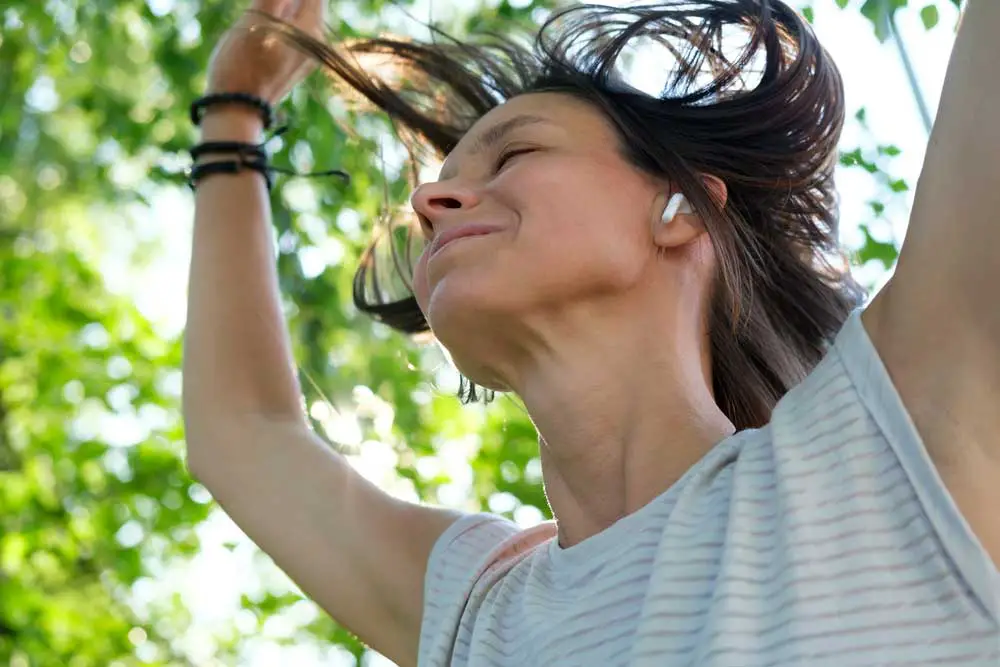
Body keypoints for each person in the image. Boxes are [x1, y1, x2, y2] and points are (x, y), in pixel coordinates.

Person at [181, 0, 999, 664]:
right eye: (434, 190)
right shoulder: (479, 615)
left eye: (514, 155)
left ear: (681, 209)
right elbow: (243, 434)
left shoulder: (890, 446)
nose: (430, 206)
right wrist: (234, 109)